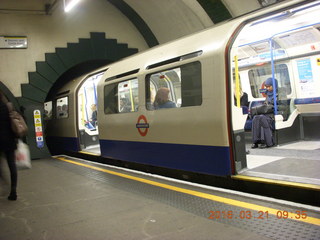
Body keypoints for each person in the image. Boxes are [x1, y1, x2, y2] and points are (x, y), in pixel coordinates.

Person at [0, 91, 18, 200]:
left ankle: (5, 184)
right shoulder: (8, 107)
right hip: (9, 140)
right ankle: (13, 191)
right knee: (12, 166)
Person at [251, 77, 278, 149]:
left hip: (273, 114)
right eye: (267, 87)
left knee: (262, 118)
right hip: (266, 113)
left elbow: (281, 106)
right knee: (255, 118)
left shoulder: (279, 94)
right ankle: (256, 141)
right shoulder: (267, 94)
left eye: (269, 86)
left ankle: (267, 142)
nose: (268, 88)